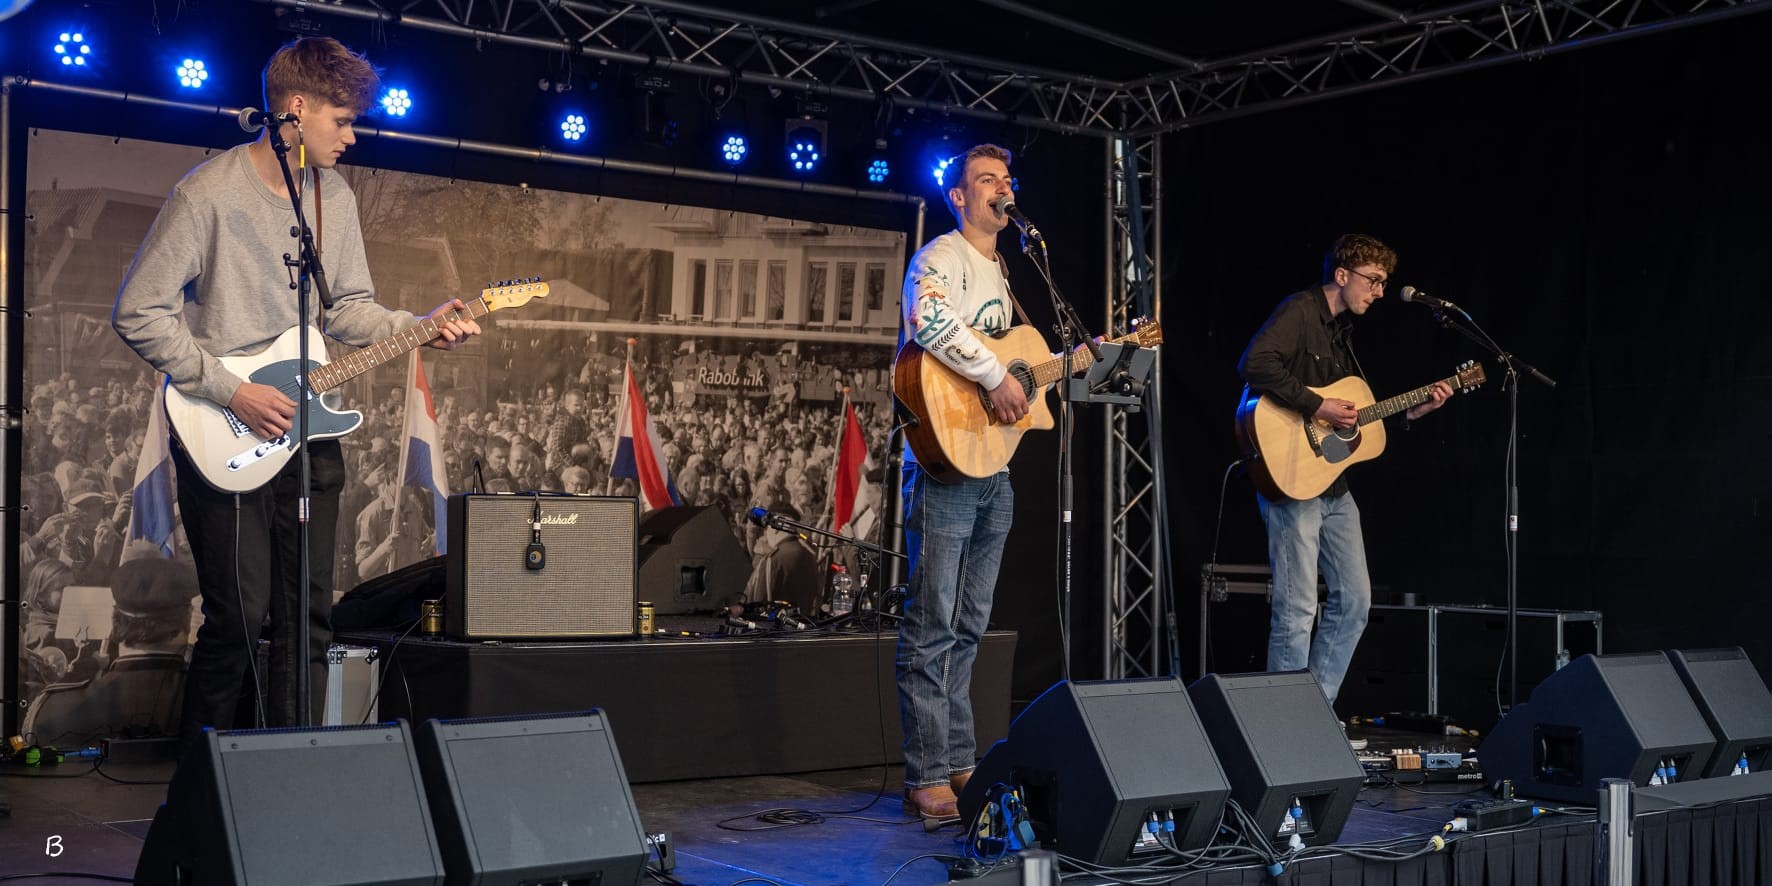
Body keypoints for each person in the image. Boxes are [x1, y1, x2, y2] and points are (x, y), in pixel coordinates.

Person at [112, 36, 480, 747]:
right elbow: (138, 311)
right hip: (224, 423)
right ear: (297, 109)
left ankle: (297, 771)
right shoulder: (205, 194)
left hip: (308, 432)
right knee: (240, 619)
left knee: (308, 613)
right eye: (342, 120)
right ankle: (204, 786)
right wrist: (228, 389)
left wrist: (419, 325)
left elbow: (347, 309)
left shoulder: (331, 194)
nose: (351, 137)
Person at [1236, 234, 1450, 725]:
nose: (1378, 292)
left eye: (1383, 283)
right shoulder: (1300, 310)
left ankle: (1312, 713)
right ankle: (1279, 726)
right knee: (1297, 608)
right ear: (1342, 275)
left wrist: (1411, 413)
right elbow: (1254, 364)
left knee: (1355, 601)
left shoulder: (1341, 333)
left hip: (1333, 488)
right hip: (1290, 482)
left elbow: (1353, 422)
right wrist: (1317, 404)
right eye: (1373, 281)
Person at [896, 143, 1029, 821]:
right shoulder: (942, 256)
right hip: (945, 468)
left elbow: (1020, 362)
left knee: (969, 627)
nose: (1000, 190)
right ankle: (925, 772)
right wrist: (996, 377)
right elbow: (930, 320)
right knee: (932, 625)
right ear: (959, 197)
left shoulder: (1003, 271)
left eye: (1005, 181)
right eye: (986, 181)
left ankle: (958, 757)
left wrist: (1084, 361)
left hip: (992, 471)